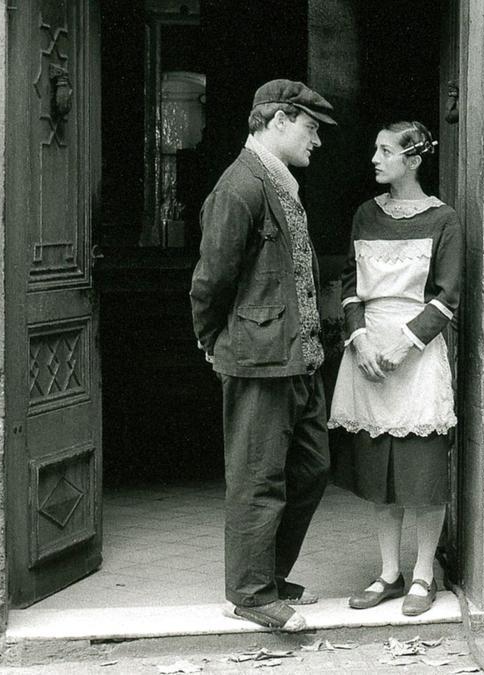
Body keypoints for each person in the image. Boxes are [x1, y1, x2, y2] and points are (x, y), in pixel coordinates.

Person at [189, 79, 336, 631]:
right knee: (258, 477)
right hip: (258, 357)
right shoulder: (240, 186)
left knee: (311, 468)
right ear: (277, 121)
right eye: (310, 128)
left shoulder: (279, 182)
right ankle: (250, 593)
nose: (316, 141)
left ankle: (268, 576)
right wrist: (212, 341)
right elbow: (211, 278)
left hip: (299, 357)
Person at [330, 121, 461, 617]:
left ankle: (424, 575)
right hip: (368, 351)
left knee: (422, 473)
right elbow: (349, 280)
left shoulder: (443, 220)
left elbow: (447, 294)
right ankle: (390, 573)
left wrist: (405, 346)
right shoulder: (366, 214)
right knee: (380, 471)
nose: (375, 158)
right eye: (376, 149)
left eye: (385, 150)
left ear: (414, 159)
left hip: (416, 353)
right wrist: (359, 338)